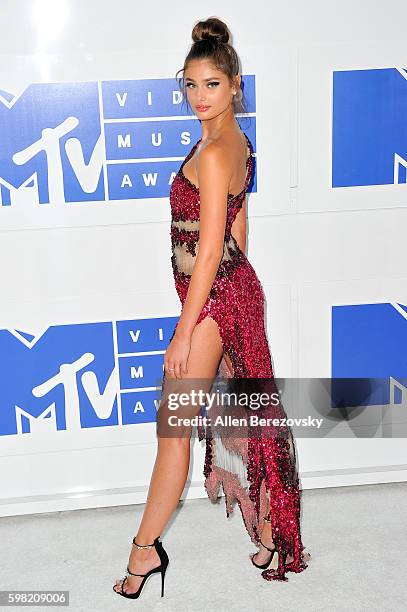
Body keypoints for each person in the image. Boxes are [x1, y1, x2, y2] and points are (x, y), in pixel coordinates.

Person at [113, 16, 311, 600]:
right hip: (230, 294)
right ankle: (274, 533)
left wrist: (188, 332)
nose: (199, 98)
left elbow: (207, 256)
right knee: (242, 421)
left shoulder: (219, 151)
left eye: (212, 86)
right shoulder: (231, 141)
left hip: (214, 300)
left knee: (173, 432)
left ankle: (144, 552)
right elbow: (238, 235)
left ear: (235, 86)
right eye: (191, 86)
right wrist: (232, 298)